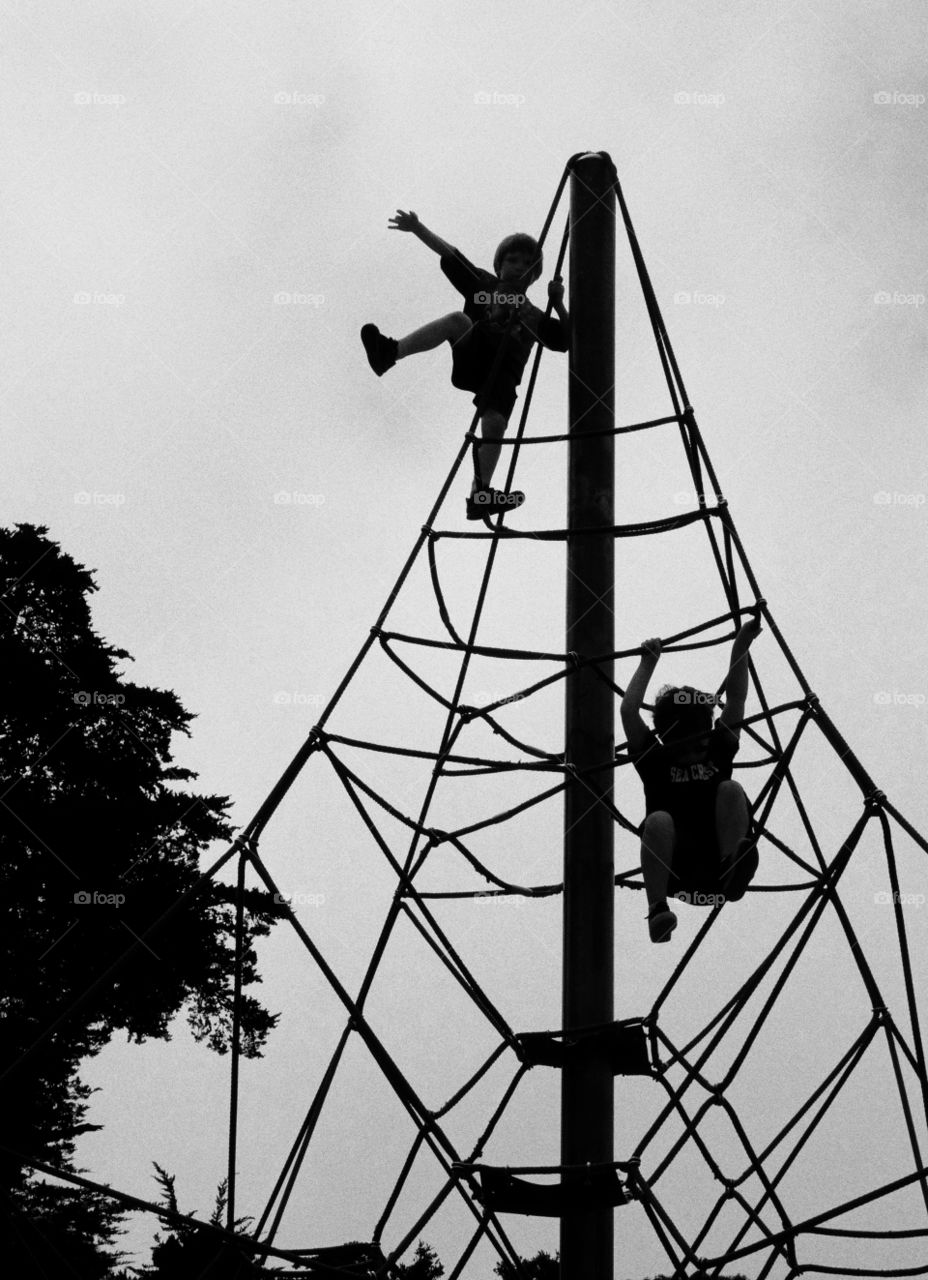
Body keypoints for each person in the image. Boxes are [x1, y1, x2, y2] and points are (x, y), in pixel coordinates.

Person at [360, 210, 570, 520]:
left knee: (496, 425)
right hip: (476, 354)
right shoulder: (484, 286)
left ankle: (480, 493)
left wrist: (559, 302)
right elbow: (451, 254)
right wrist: (419, 228)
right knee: (458, 321)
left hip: (502, 374)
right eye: (513, 260)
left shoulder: (534, 314)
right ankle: (390, 352)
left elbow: (567, 340)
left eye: (528, 265)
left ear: (535, 276)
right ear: (500, 266)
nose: (520, 267)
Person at [620, 616, 763, 943]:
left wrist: (741, 645)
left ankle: (733, 867)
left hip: (718, 864)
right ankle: (657, 911)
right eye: (687, 742)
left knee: (730, 789)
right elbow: (629, 712)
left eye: (701, 739)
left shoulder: (717, 748)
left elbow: (737, 698)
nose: (697, 748)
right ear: (669, 739)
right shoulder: (655, 760)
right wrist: (648, 663)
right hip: (675, 871)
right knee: (657, 820)